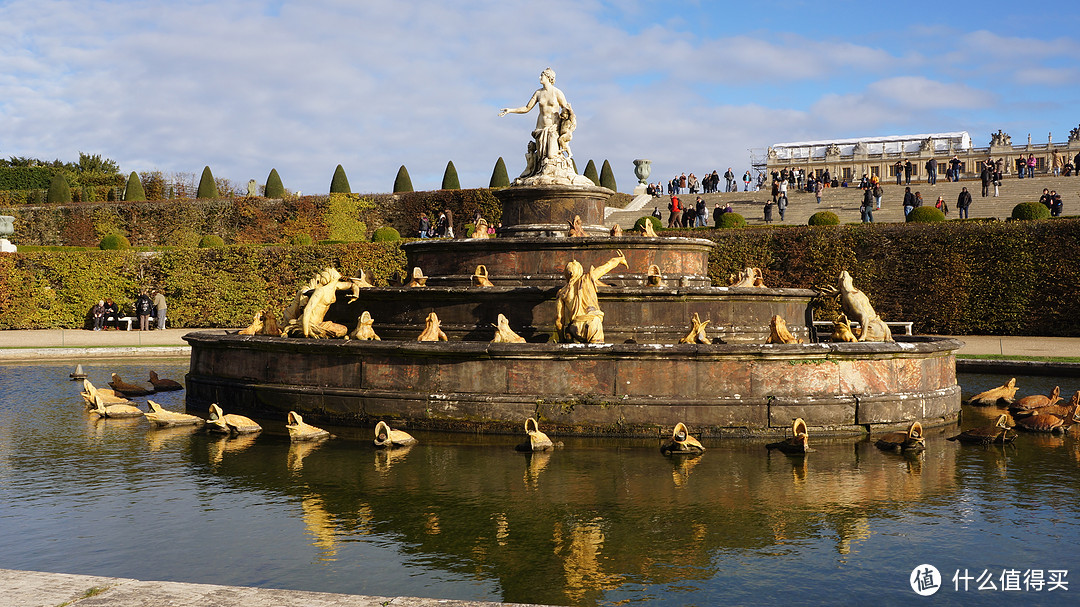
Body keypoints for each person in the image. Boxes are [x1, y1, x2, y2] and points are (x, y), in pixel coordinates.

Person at [555, 252, 628, 344]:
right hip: (593, 324)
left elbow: (559, 320)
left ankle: (571, 337)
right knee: (596, 354)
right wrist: (619, 259)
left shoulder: (562, 292)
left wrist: (561, 340)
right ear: (580, 271)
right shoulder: (588, 278)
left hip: (576, 327)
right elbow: (605, 267)